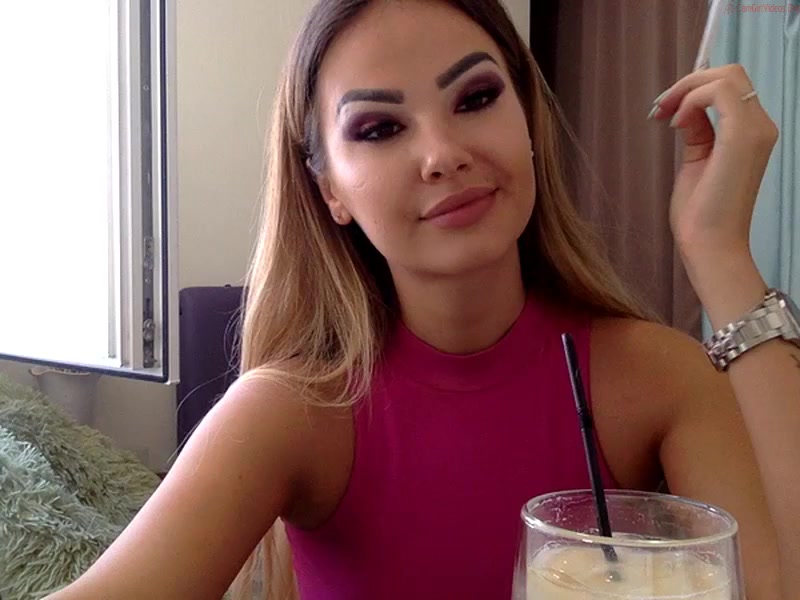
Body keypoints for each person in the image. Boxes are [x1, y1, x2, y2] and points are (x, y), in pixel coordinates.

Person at [49, 1, 800, 599]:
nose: (442, 154)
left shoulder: (656, 377)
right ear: (330, 190)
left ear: (527, 118)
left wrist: (718, 251)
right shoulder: (294, 413)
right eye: (379, 128)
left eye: (477, 97)